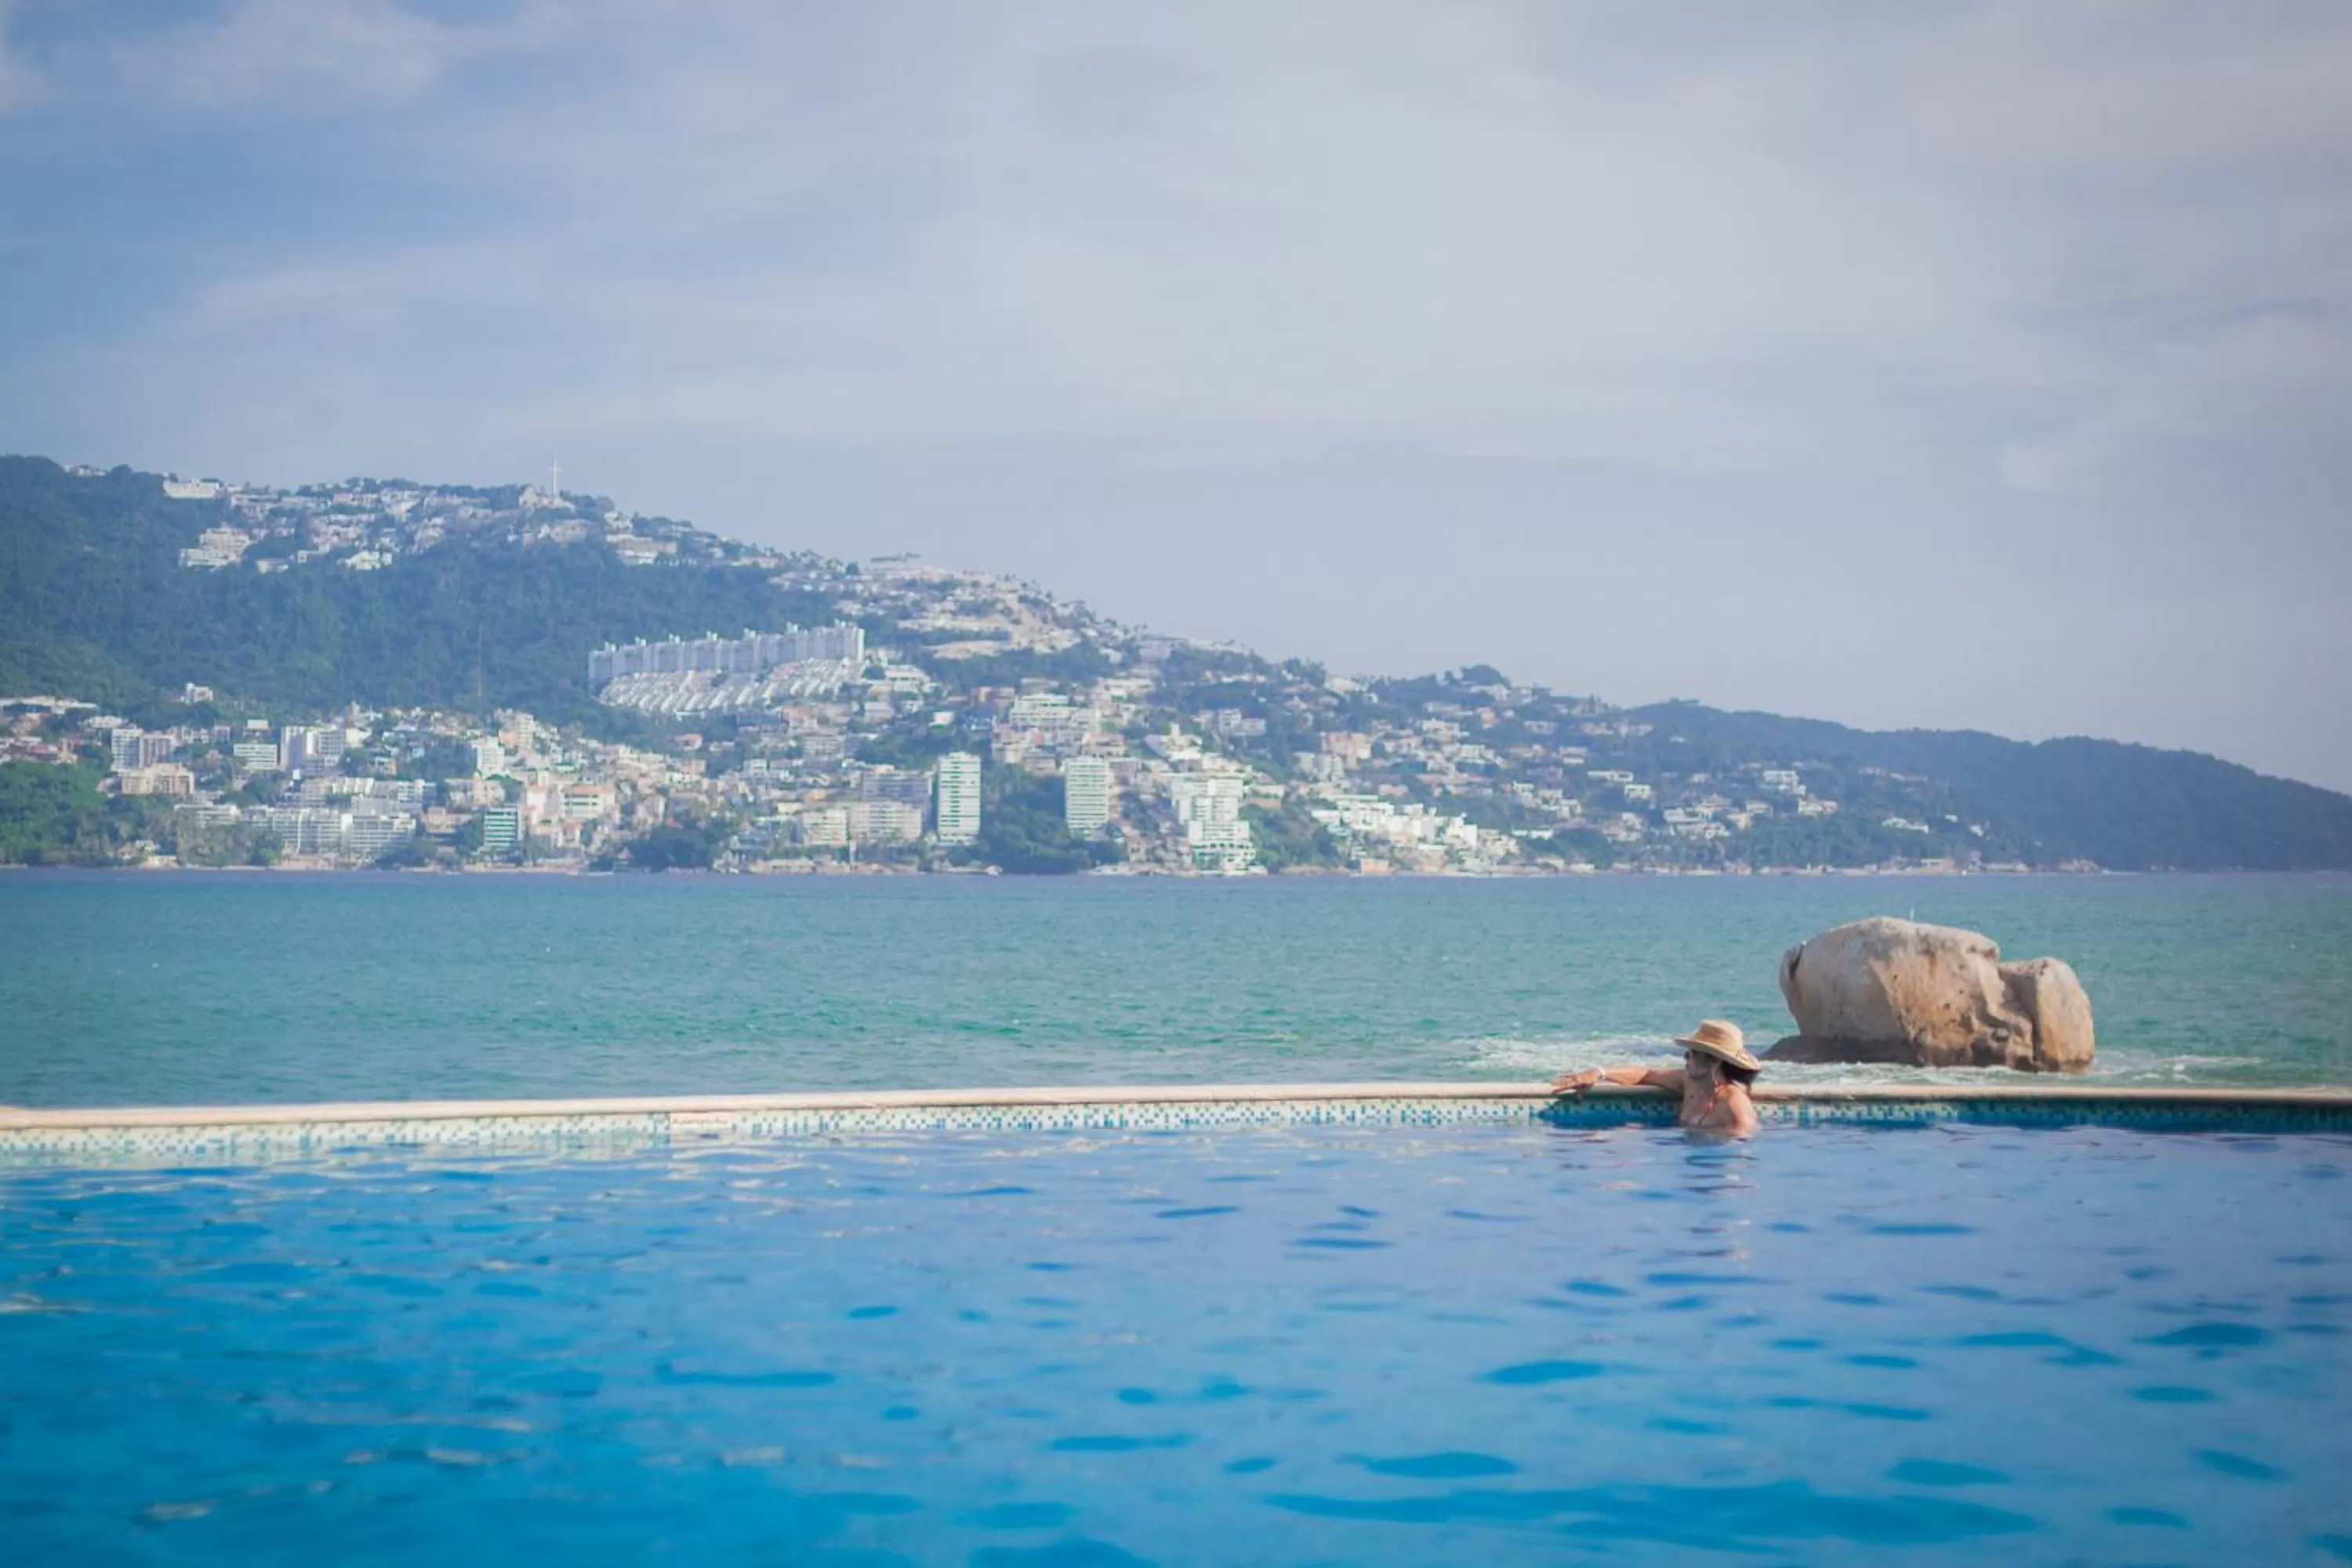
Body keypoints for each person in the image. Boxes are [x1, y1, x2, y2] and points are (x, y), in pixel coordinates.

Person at [1552, 1018, 1762, 1136]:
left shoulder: (1733, 1103)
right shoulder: (1689, 1082)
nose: (1685, 1058)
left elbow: (1740, 1150)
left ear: (1714, 1061)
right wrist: (1599, 1072)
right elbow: (1646, 1074)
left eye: (1692, 1053)